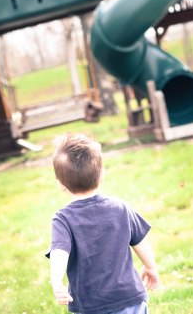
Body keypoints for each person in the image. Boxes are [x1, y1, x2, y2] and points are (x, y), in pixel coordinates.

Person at [47, 134, 160, 314]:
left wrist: (57, 281)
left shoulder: (63, 219)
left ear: (60, 184)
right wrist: (150, 267)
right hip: (129, 298)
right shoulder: (120, 207)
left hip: (90, 305)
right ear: (101, 175)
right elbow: (140, 241)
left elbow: (59, 251)